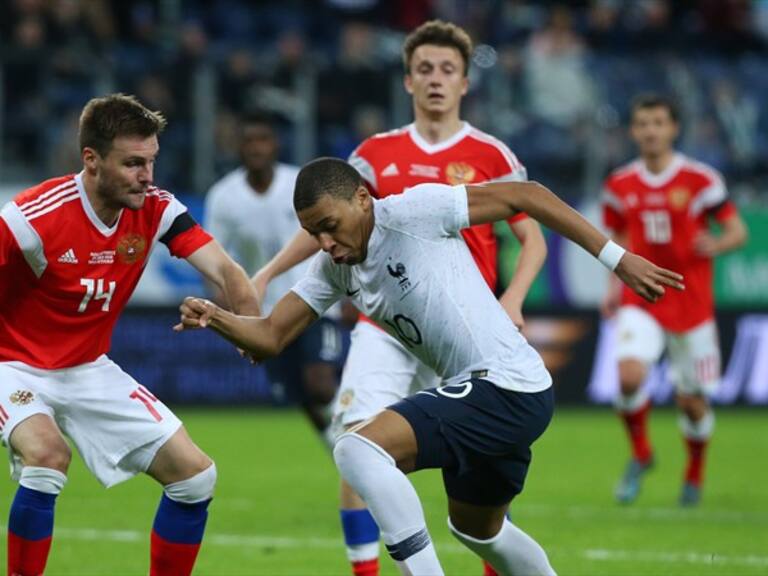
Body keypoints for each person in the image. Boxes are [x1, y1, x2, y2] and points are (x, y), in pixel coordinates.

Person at [177, 157, 684, 576]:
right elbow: (269, 337)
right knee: (478, 531)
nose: (326, 243)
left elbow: (526, 194)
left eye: (329, 227)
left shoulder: (414, 210)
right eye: (314, 233)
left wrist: (618, 260)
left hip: (505, 383)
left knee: (356, 449)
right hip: (495, 396)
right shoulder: (334, 267)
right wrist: (215, 316)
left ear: (361, 199)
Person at [251, 20, 547, 576]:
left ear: (464, 83)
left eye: (448, 70)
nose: (436, 79)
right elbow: (323, 220)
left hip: (464, 331)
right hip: (386, 325)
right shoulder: (376, 153)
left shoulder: (490, 153)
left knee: (481, 477)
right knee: (357, 442)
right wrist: (267, 273)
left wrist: (514, 298)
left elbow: (531, 238)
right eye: (425, 69)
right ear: (408, 81)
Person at [0, 94, 259, 576]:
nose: (148, 176)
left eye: (152, 161)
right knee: (48, 457)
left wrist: (250, 331)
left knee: (196, 478)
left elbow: (227, 271)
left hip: (87, 368)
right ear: (91, 161)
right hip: (11, 363)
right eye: (133, 163)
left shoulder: (156, 209)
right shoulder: (30, 218)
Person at [601, 94, 747, 506]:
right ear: (633, 130)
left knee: (692, 402)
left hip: (692, 304)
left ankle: (694, 472)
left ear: (673, 129)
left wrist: (715, 244)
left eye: (658, 123)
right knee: (629, 377)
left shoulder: (701, 180)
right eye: (643, 123)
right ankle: (642, 454)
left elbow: (737, 232)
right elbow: (620, 241)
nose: (650, 130)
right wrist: (613, 288)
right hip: (642, 296)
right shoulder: (619, 184)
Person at [204, 112, 346, 445]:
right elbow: (214, 257)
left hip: (315, 298)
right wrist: (228, 309)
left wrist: (349, 294)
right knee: (299, 395)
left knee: (321, 384)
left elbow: (333, 233)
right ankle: (340, 450)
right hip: (266, 311)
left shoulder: (300, 184)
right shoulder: (224, 196)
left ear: (275, 144)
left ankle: (357, 444)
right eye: (249, 141)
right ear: (238, 147)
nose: (256, 148)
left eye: (263, 140)